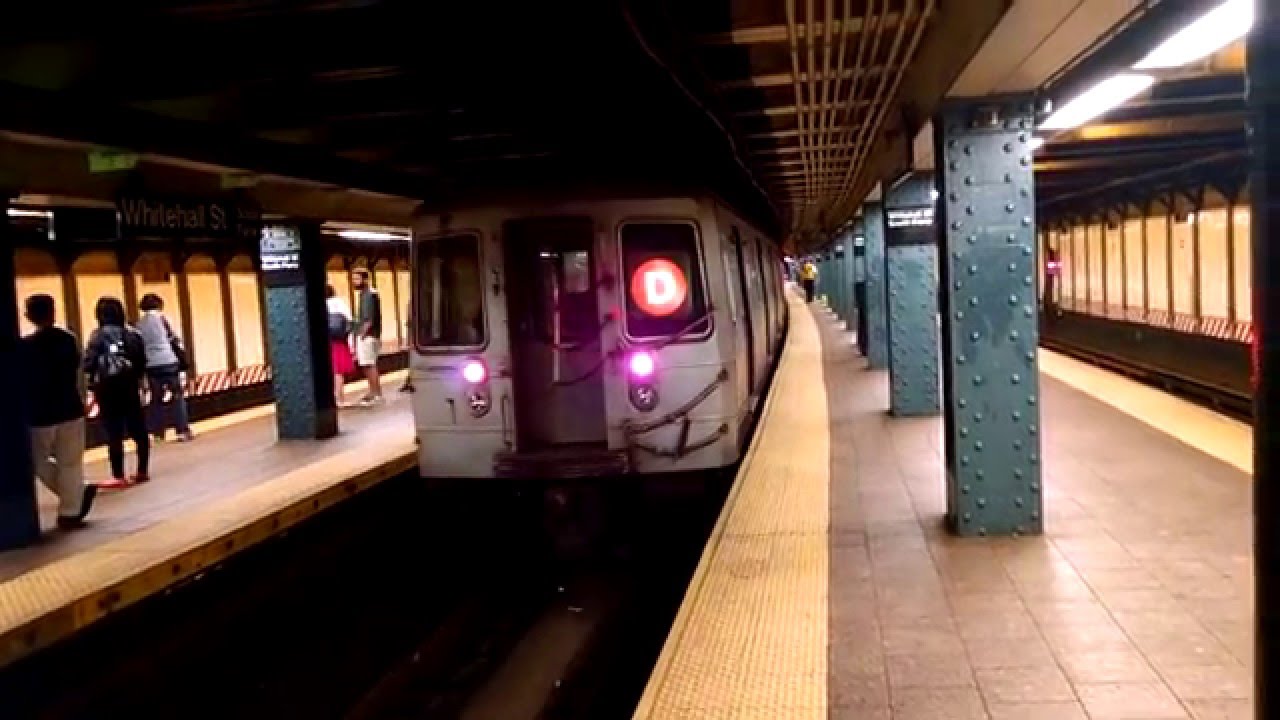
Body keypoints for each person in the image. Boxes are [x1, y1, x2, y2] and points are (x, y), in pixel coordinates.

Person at [21, 295, 98, 528]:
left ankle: (74, 500)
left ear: (29, 316)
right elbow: (77, 371)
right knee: (71, 463)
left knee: (37, 461)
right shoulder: (68, 340)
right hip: (70, 407)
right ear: (53, 312)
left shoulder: (25, 347)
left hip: (40, 413)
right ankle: (70, 510)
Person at [84, 297, 150, 486]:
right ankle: (142, 471)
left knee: (113, 432)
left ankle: (118, 476)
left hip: (107, 390)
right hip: (130, 387)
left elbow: (88, 364)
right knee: (138, 430)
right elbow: (141, 361)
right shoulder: (133, 334)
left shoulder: (97, 336)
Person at [136, 294, 193, 443]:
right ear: (159, 305)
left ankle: (158, 434)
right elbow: (174, 339)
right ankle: (182, 431)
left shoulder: (139, 325)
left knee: (156, 399)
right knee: (177, 396)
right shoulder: (163, 319)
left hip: (151, 366)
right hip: (169, 363)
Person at [351, 269, 383, 406]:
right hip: (371, 335)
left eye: (357, 279)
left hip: (368, 335)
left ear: (365, 279)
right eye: (353, 279)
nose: (354, 282)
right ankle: (373, 392)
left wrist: (362, 334)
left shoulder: (368, 295)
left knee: (369, 365)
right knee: (367, 364)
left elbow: (368, 319)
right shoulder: (368, 294)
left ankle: (376, 394)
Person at [326, 285, 355, 407]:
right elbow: (350, 323)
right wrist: (352, 344)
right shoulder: (340, 303)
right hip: (340, 341)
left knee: (333, 371)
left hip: (328, 341)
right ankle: (339, 398)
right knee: (338, 372)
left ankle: (336, 398)